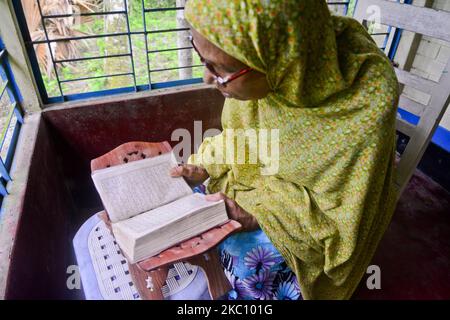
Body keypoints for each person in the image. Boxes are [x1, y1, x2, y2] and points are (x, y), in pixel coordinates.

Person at [170, 0, 399, 300]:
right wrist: (204, 165)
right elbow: (239, 137)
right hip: (261, 186)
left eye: (220, 70)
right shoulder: (272, 68)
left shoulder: (363, 107)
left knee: (246, 266)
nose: (207, 79)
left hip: (309, 224)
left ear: (281, 60)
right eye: (203, 59)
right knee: (189, 214)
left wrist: (256, 215)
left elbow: (342, 219)